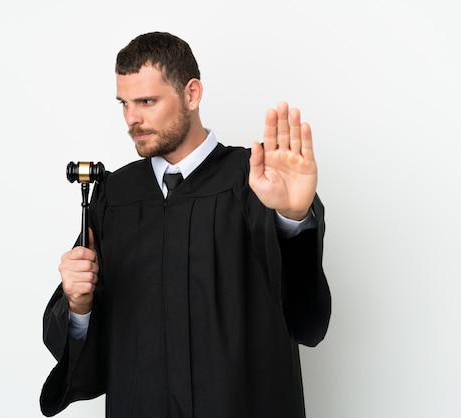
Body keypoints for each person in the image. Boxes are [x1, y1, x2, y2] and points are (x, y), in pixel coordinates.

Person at [40, 31, 331, 418]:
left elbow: (304, 315)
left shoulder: (254, 181)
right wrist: (78, 304)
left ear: (191, 94)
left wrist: (293, 219)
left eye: (147, 101)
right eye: (124, 103)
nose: (132, 119)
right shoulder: (115, 196)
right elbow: (87, 347)